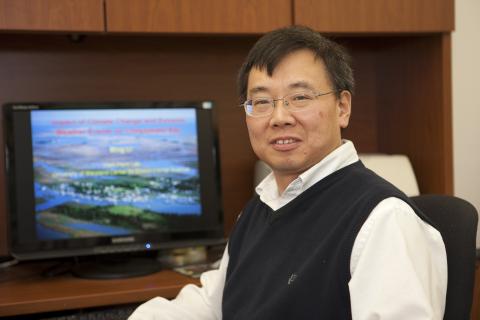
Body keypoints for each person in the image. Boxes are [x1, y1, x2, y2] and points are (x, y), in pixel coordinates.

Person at [129, 25, 447, 320]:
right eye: (262, 101)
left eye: (300, 97)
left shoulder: (383, 220)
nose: (279, 117)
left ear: (342, 107)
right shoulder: (261, 207)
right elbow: (213, 304)